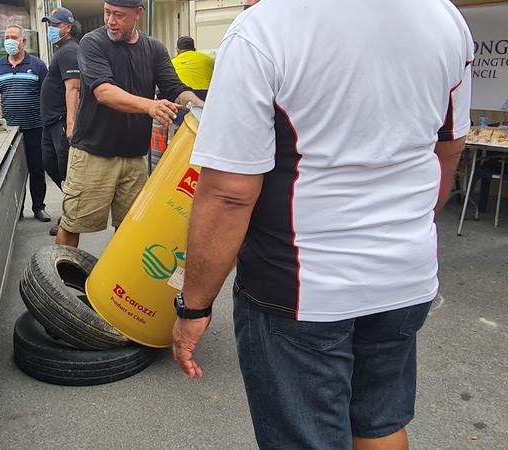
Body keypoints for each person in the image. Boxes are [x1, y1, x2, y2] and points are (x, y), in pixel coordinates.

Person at [171, 1, 472, 449]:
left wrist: (193, 307)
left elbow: (229, 193)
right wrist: (407, 230)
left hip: (300, 289)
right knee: (379, 423)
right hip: (405, 275)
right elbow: (448, 149)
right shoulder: (443, 16)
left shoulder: (266, 28)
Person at [55, 0, 204, 248]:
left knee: (129, 229)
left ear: (138, 14)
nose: (110, 21)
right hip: (93, 153)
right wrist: (149, 105)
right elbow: (103, 91)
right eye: (107, 13)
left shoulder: (154, 48)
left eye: (119, 15)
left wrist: (199, 108)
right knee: (73, 224)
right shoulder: (92, 42)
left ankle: (113, 285)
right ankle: (54, 281)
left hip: (134, 157)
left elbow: (175, 89)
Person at [0, 25, 51, 222]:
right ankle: (16, 210)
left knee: (36, 169)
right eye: (7, 37)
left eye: (14, 37)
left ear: (23, 41)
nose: (9, 40)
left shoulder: (37, 65)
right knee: (13, 173)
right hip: (10, 130)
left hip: (35, 127)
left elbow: (48, 94)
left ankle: (39, 207)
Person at [40, 8, 82, 236]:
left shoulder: (69, 51)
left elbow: (73, 88)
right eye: (50, 25)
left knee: (65, 169)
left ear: (68, 27)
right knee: (49, 163)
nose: (51, 29)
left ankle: (70, 215)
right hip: (51, 122)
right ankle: (72, 205)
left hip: (62, 121)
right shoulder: (61, 50)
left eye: (56, 25)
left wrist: (72, 123)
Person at [170, 36, 213, 126]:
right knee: (204, 122)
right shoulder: (208, 59)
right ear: (194, 49)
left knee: (183, 124)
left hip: (183, 96)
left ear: (178, 50)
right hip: (204, 95)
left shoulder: (172, 62)